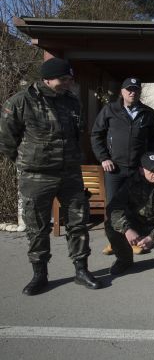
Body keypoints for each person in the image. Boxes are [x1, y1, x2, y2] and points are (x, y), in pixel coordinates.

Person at [0, 57, 101, 295]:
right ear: (46, 79)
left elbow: (79, 132)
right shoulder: (20, 102)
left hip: (70, 175)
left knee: (78, 224)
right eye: (63, 79)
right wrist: (25, 162)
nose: (68, 83)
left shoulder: (72, 102)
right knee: (37, 227)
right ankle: (40, 275)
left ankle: (81, 270)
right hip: (36, 176)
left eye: (70, 79)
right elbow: (6, 139)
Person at [90, 76, 154, 256]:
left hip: (137, 169)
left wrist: (148, 164)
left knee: (136, 206)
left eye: (136, 89)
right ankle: (115, 242)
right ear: (122, 91)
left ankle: (135, 241)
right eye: (129, 89)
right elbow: (96, 135)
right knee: (113, 207)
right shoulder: (109, 110)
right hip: (115, 169)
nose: (132, 92)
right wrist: (104, 158)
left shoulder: (148, 113)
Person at [106, 152, 154, 275]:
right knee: (111, 225)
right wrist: (127, 229)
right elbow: (114, 208)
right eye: (151, 170)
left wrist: (152, 238)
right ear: (141, 170)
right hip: (135, 224)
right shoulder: (131, 183)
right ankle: (124, 260)